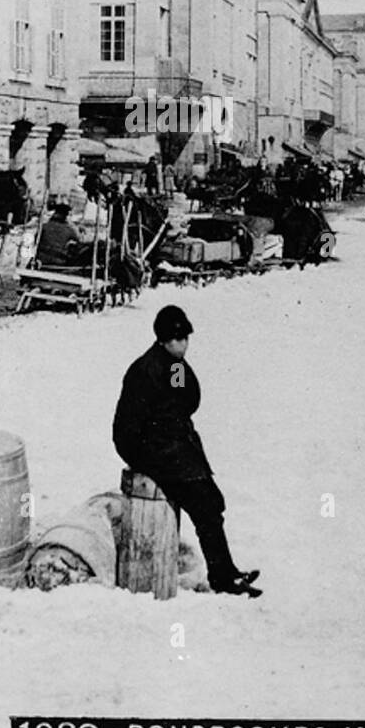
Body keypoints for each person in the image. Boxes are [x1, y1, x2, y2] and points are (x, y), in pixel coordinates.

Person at [113, 306, 262, 598]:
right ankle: (223, 578)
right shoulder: (145, 370)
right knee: (206, 506)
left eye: (186, 339)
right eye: (178, 339)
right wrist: (149, 459)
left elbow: (184, 401)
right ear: (164, 340)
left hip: (176, 449)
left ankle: (227, 572)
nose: (184, 345)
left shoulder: (174, 365)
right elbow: (129, 426)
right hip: (157, 453)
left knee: (211, 503)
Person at [36, 202, 82, 267]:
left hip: (41, 260)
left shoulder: (45, 226)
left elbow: (35, 240)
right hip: (58, 262)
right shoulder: (68, 229)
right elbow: (80, 239)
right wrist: (72, 224)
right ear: (66, 216)